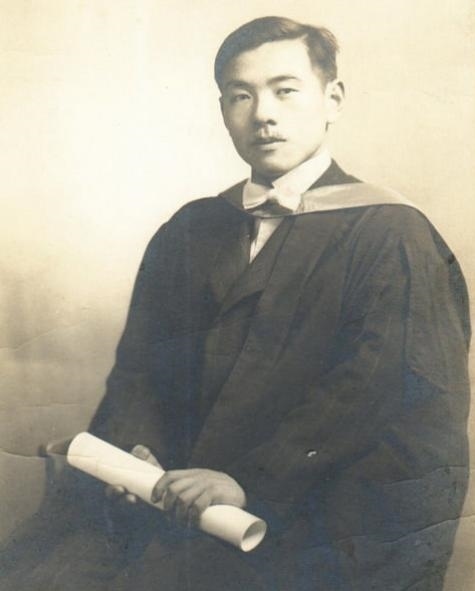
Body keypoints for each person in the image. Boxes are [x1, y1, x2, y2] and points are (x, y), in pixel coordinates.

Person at [0, 15, 470, 591]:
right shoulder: (191, 230)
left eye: (285, 90)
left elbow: (374, 395)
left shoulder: (391, 236)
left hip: (306, 521)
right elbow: (141, 373)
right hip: (172, 501)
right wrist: (135, 451)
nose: (263, 114)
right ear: (222, 110)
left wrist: (251, 481)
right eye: (240, 95)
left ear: (333, 99)